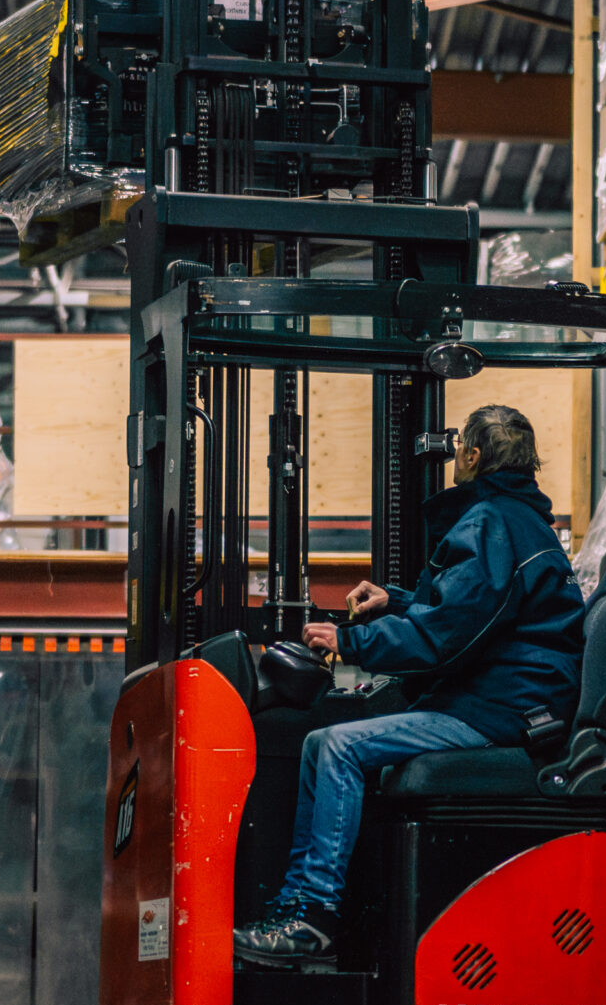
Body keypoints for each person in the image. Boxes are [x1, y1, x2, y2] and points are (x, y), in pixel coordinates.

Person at [233, 405, 586, 970]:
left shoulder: (492, 523)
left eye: (457, 447)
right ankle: (299, 909)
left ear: (472, 455)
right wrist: (394, 602)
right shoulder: (518, 521)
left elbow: (446, 635)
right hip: (506, 696)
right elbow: (467, 612)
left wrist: (350, 641)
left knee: (338, 746)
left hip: (501, 708)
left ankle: (315, 919)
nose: (452, 457)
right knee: (321, 742)